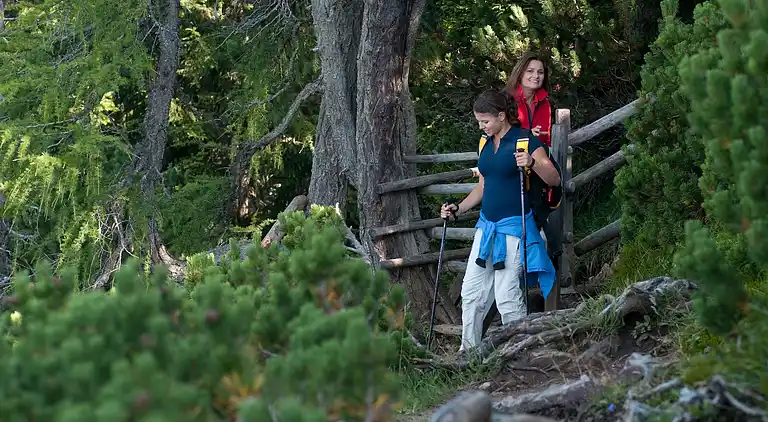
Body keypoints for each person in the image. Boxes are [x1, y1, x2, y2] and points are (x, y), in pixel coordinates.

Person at [440, 89, 560, 353]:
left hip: (514, 229)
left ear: (502, 116)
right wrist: (457, 208)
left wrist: (531, 162)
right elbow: (483, 187)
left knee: (507, 296)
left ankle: (518, 351)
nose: (481, 126)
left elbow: (554, 178)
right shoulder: (485, 143)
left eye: (485, 121)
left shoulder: (524, 140)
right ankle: (468, 353)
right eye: (479, 122)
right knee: (471, 292)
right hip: (487, 228)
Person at [505, 52, 553, 147]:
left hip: (538, 158)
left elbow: (546, 139)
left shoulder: (545, 103)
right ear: (520, 73)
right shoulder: (505, 99)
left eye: (540, 72)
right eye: (530, 71)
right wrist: (527, 133)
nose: (536, 76)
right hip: (510, 157)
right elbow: (498, 135)